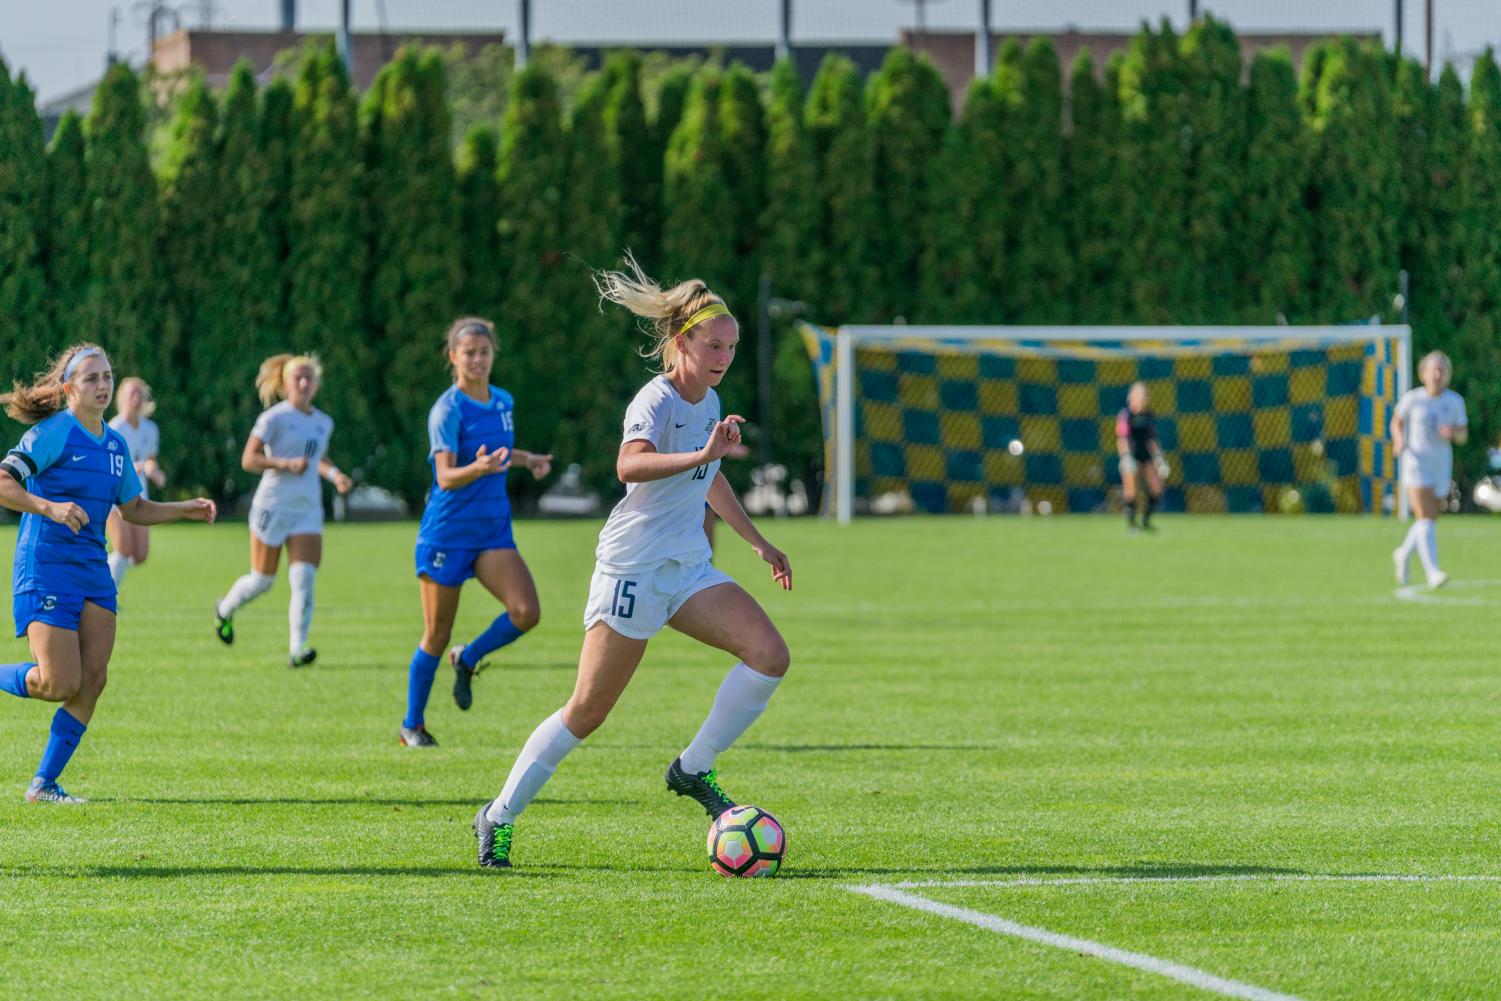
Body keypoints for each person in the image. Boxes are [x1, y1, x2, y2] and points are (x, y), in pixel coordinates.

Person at [472, 257, 792, 869]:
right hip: (633, 570)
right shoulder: (657, 398)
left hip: (687, 569)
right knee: (588, 711)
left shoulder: (711, 398)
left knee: (770, 654)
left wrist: (756, 541)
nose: (725, 356)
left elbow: (709, 478)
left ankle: (692, 768)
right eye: (714, 345)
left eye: (732, 347)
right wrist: (702, 451)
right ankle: (499, 814)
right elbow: (630, 465)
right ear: (681, 343)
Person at [0, 344, 215, 803]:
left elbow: (133, 507)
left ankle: (43, 784)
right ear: (68, 389)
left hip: (93, 571)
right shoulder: (54, 433)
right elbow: (4, 481)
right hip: (47, 568)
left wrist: (184, 508)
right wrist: (48, 507)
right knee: (58, 683)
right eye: (92, 378)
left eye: (107, 376)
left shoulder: (116, 446)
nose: (103, 385)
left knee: (93, 679)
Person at [400, 318, 553, 748]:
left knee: (526, 612)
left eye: (484, 352)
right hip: (447, 534)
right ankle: (412, 725)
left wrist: (527, 460)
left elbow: (499, 453)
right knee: (436, 633)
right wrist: (479, 468)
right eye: (469, 352)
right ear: (453, 357)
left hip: (492, 531)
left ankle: (467, 659)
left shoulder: (503, 400)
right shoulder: (447, 410)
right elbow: (446, 476)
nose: (478, 359)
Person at [213, 355, 352, 668]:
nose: (303, 383)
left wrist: (335, 475)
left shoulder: (323, 422)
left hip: (307, 510)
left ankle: (297, 649)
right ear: (285, 383)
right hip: (273, 506)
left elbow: (318, 459)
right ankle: (224, 610)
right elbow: (248, 460)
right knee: (262, 580)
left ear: (316, 384)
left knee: (304, 579)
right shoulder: (273, 419)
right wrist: (284, 464)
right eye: (297, 378)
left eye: (308, 378)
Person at [1392, 350, 1467, 589]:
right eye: (1432, 369)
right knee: (1425, 517)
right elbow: (1397, 420)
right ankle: (1433, 572)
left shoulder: (1454, 401)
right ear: (1423, 373)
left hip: (1440, 465)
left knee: (1429, 518)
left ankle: (1403, 553)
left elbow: (1463, 435)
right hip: (1416, 463)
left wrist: (1452, 433)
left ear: (1447, 375)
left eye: (1441, 370)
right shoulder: (1413, 399)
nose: (1437, 374)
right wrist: (1398, 440)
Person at [105, 377, 166, 589]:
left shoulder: (150, 429)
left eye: (140, 394)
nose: (136, 398)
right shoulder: (114, 428)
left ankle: (103, 571)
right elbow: (113, 465)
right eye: (132, 393)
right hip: (114, 496)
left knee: (139, 555)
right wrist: (141, 467)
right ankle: (107, 597)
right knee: (122, 549)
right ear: (122, 398)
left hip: (138, 495)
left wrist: (155, 473)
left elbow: (151, 459)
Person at [1116, 381, 1169, 531]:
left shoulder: (1149, 415)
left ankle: (1146, 520)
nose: (1142, 398)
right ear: (1131, 396)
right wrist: (1125, 457)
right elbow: (1122, 438)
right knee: (1131, 490)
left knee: (1157, 489)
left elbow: (1152, 440)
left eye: (1144, 395)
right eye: (1138, 394)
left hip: (1146, 457)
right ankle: (1132, 524)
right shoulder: (1126, 415)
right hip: (1131, 456)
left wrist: (1159, 459)